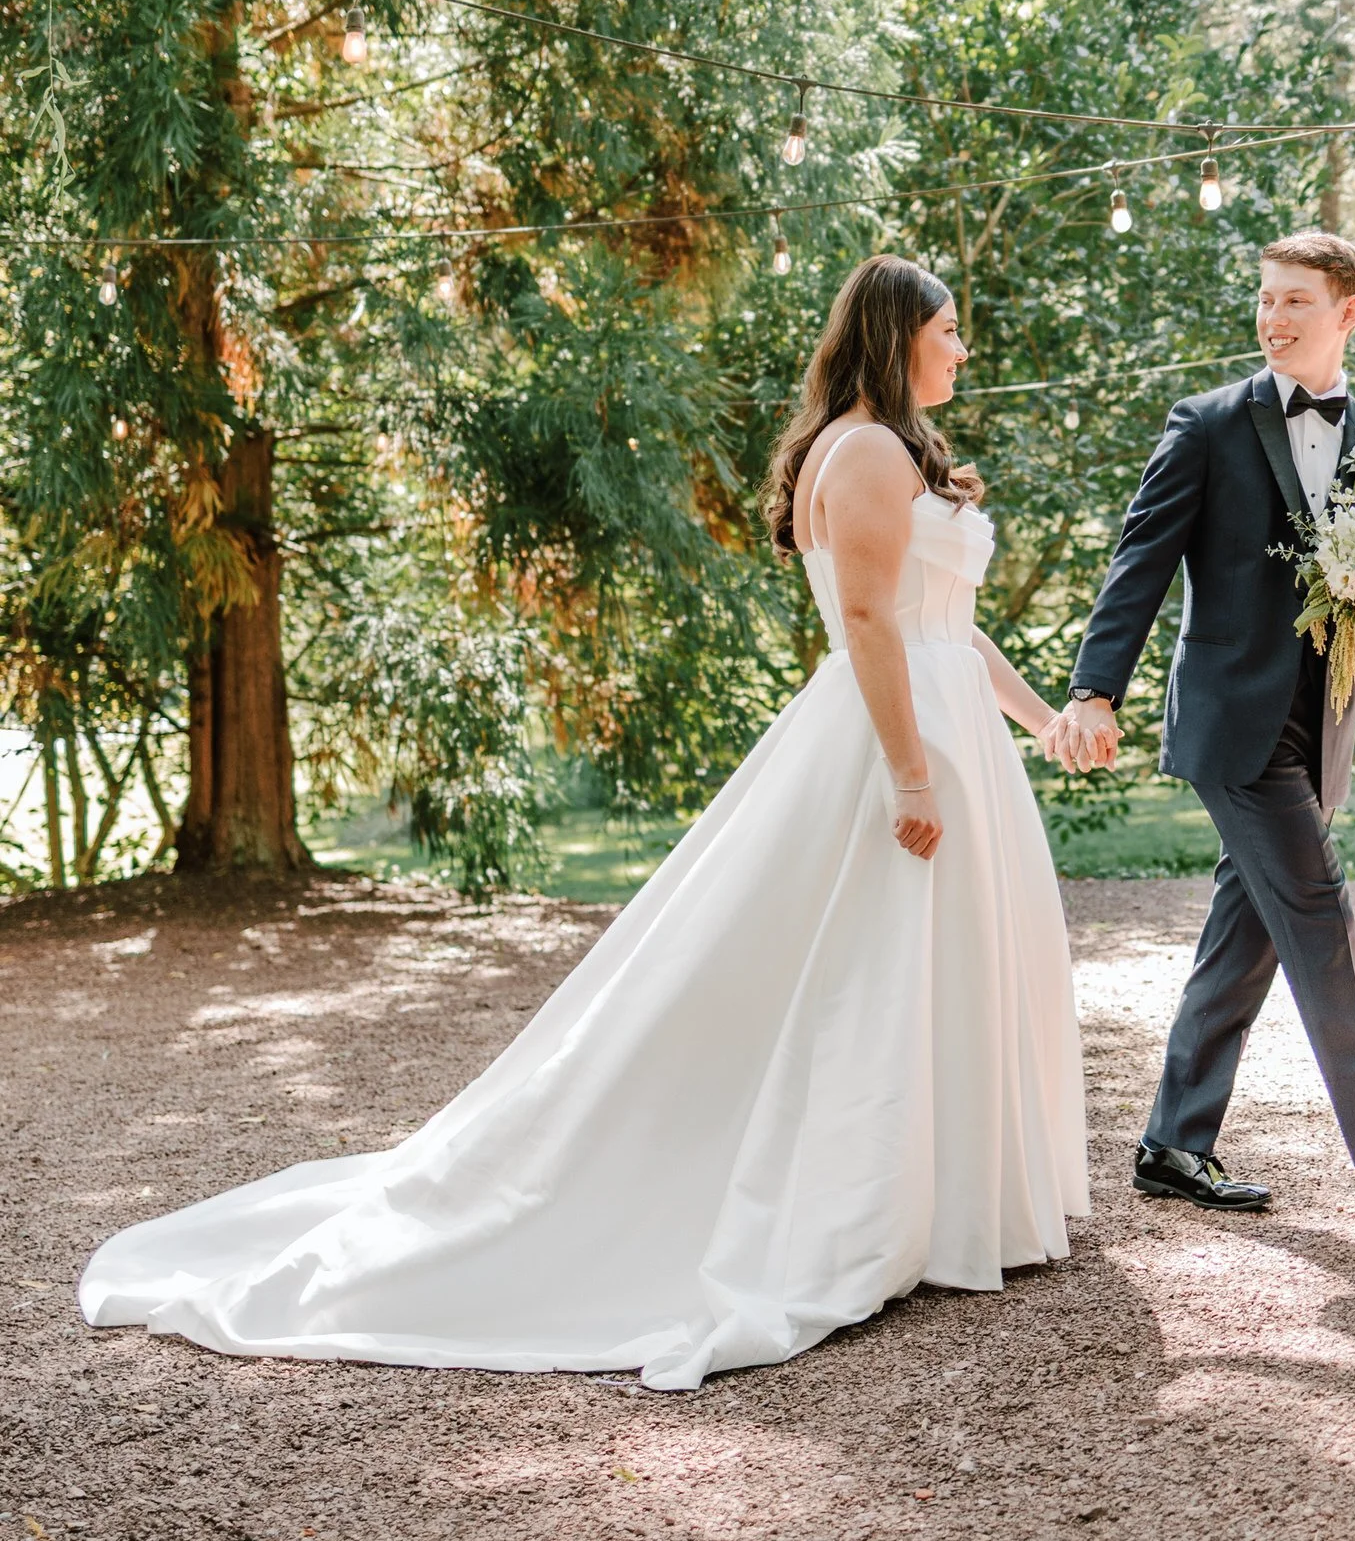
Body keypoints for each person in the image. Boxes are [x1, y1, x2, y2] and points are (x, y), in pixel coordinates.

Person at [79, 256, 1089, 1387]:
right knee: (872, 972)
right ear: (901, 335)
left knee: (927, 968)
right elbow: (866, 619)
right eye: (950, 330)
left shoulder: (892, 452)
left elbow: (947, 624)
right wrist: (909, 773)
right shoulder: (862, 451)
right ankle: (871, 1203)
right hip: (896, 739)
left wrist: (1042, 720)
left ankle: (950, 1197)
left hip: (951, 722)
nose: (962, 350)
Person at [1047, 230, 1355, 1232]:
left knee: (1241, 940)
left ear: (1348, 312)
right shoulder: (1206, 426)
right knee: (1322, 920)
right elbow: (1139, 563)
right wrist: (1095, 691)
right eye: (1266, 299)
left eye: (1297, 301)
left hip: (1318, 726)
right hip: (1229, 722)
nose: (1274, 318)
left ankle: (1173, 1145)